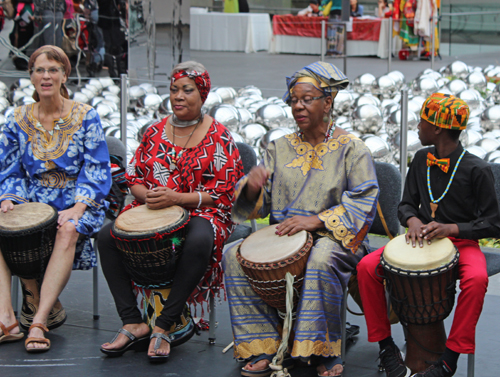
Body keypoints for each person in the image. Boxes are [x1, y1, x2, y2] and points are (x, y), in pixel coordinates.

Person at [222, 61, 379, 377]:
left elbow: (364, 202)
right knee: (232, 256)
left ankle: (322, 349)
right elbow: (254, 207)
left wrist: (316, 221)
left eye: (307, 99)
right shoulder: (279, 147)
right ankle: (263, 345)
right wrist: (251, 188)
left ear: (328, 102)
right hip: (283, 236)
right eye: (294, 100)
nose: (298, 106)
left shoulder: (353, 148)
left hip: (335, 238)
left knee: (320, 258)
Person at [98, 61, 244, 362]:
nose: (178, 96)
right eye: (174, 89)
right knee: (107, 237)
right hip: (153, 209)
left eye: (187, 90)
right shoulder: (153, 132)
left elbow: (223, 194)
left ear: (202, 94)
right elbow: (134, 177)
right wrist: (147, 197)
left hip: (200, 212)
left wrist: (177, 198)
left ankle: (165, 323)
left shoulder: (219, 136)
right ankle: (133, 321)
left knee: (200, 239)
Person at [357, 93, 500, 377]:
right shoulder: (421, 158)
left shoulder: (478, 169)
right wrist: (411, 220)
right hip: (420, 238)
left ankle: (450, 358)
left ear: (436, 128)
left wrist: (454, 228)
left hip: (462, 242)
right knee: (366, 267)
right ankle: (386, 347)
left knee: (477, 279)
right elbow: (406, 204)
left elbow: (494, 223)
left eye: (421, 123)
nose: (418, 128)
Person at [0, 45, 111, 352]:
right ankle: (6, 319)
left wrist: (78, 205)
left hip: (78, 197)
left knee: (68, 228)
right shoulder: (16, 117)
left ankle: (38, 320)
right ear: (31, 76)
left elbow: (97, 169)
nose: (46, 76)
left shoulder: (86, 116)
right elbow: (9, 169)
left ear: (65, 75)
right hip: (32, 198)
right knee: (4, 225)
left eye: (53, 70)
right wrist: (10, 200)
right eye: (39, 70)